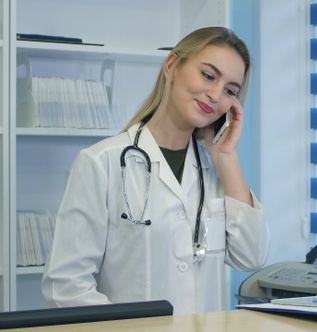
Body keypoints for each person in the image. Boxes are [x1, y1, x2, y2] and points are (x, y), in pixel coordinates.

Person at [42, 27, 270, 314]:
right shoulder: (102, 162)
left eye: (230, 91)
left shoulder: (215, 171)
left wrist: (226, 156)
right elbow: (65, 287)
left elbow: (251, 257)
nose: (215, 95)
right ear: (172, 66)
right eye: (208, 76)